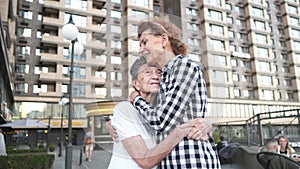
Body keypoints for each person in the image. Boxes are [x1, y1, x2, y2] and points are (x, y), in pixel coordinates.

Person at [129, 17, 220, 168]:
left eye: (145, 42)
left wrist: (136, 99)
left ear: (163, 40)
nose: (141, 49)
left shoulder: (184, 67)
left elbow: (161, 120)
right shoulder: (165, 76)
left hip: (190, 162)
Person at [108, 57, 211, 169]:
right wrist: (179, 132)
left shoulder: (164, 112)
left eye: (159, 73)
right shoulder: (125, 109)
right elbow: (145, 161)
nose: (156, 77)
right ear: (136, 84)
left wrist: (206, 123)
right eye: (148, 72)